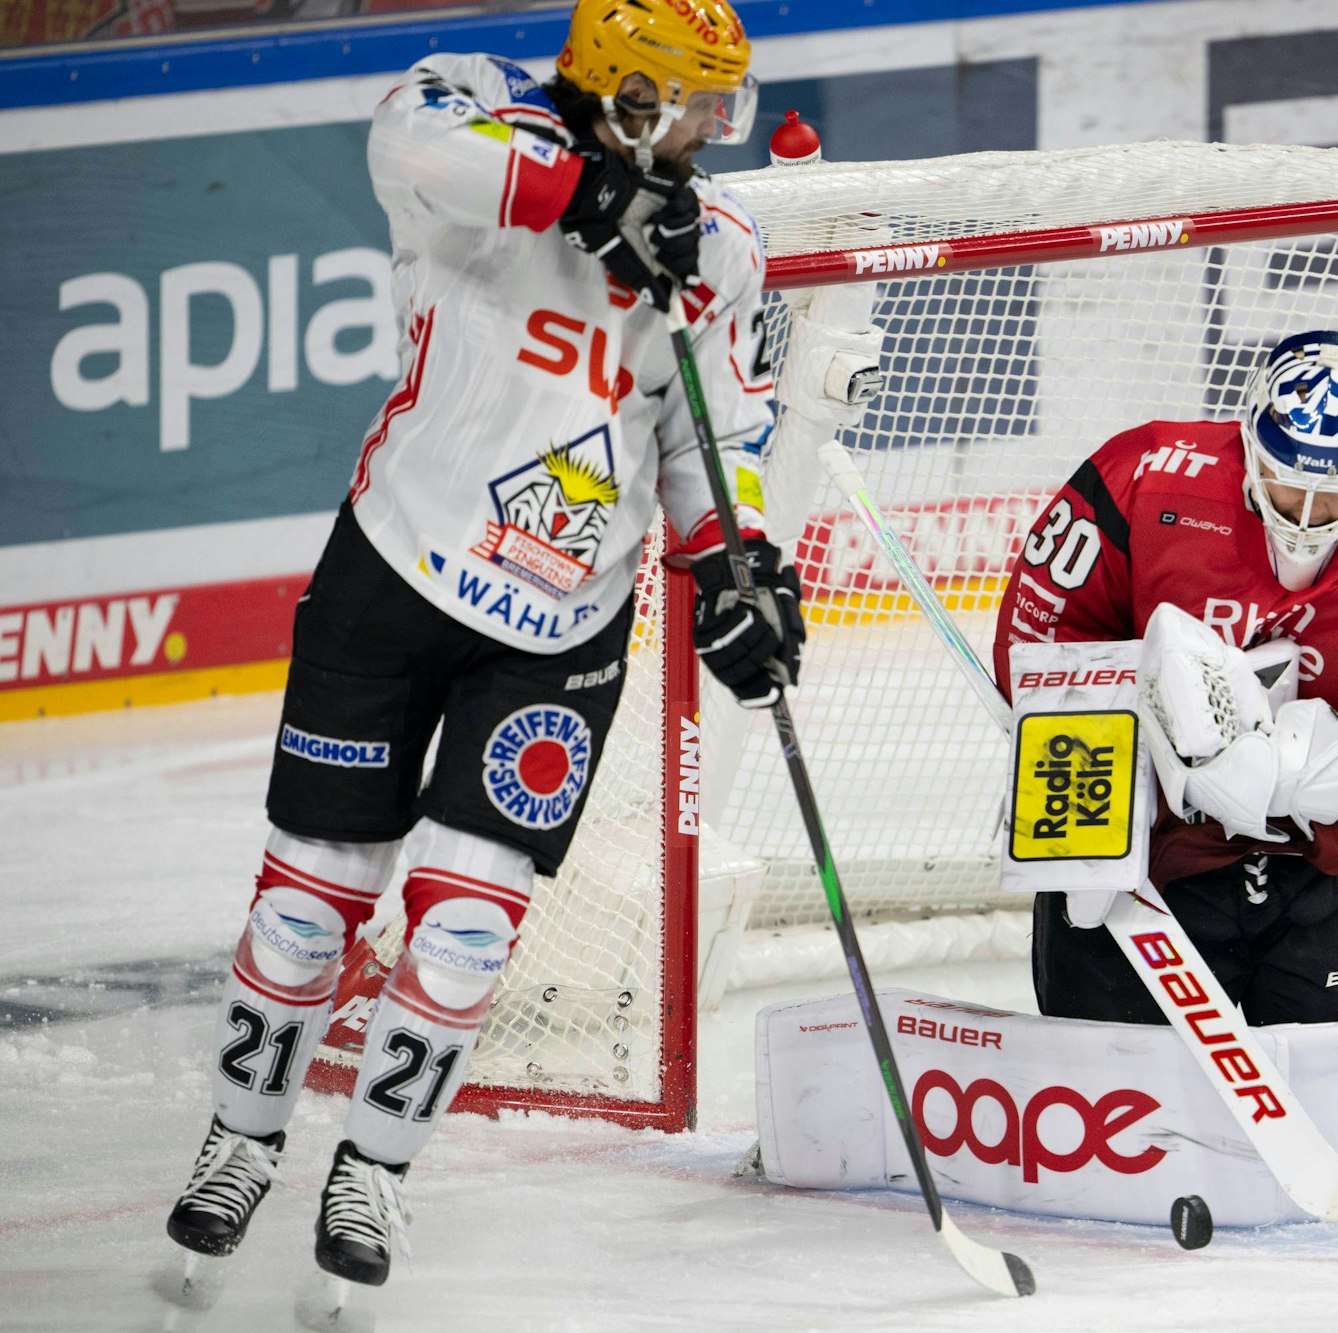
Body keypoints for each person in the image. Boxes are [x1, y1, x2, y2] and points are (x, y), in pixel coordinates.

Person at [162, 0, 877, 1290]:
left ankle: (374, 1171)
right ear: (634, 92)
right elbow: (416, 154)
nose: (721, 127)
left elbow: (712, 441)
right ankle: (240, 1139)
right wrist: (589, 191)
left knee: (464, 935)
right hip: (393, 572)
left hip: (561, 631)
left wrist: (735, 564)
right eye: (700, 101)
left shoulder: (716, 247)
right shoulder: (473, 101)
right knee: (304, 912)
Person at [994, 331, 1338, 1028]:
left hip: (1329, 867)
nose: (1305, 512)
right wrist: (1132, 772)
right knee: (1106, 1094)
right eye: (1287, 479)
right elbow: (1037, 637)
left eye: (1334, 493)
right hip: (1144, 853)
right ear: (1248, 441)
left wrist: (1298, 775)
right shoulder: (1143, 476)